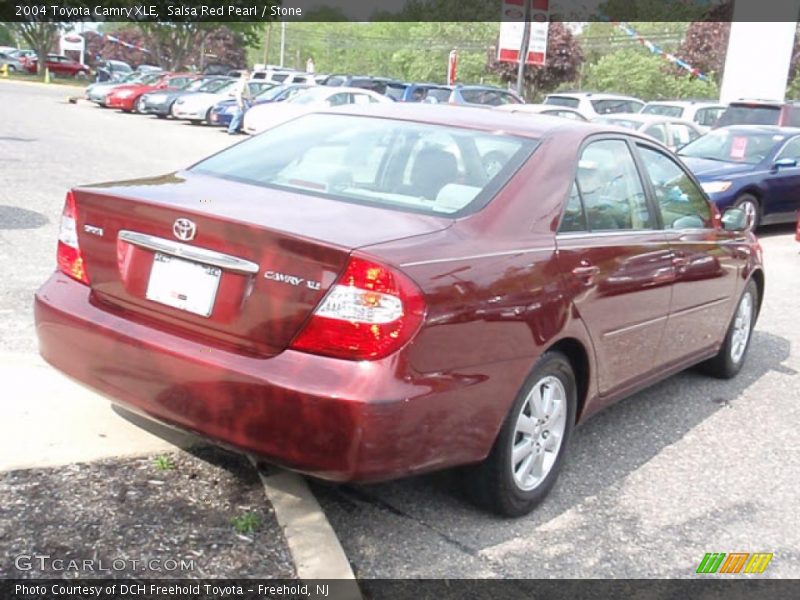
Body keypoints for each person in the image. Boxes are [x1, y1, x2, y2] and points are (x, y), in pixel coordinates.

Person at [227, 70, 252, 135]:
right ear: (245, 75)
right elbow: (238, 94)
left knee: (241, 115)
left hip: (244, 100)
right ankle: (232, 129)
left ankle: (237, 128)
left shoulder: (243, 82)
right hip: (242, 100)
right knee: (239, 115)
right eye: (249, 75)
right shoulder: (242, 82)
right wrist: (240, 103)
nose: (249, 77)